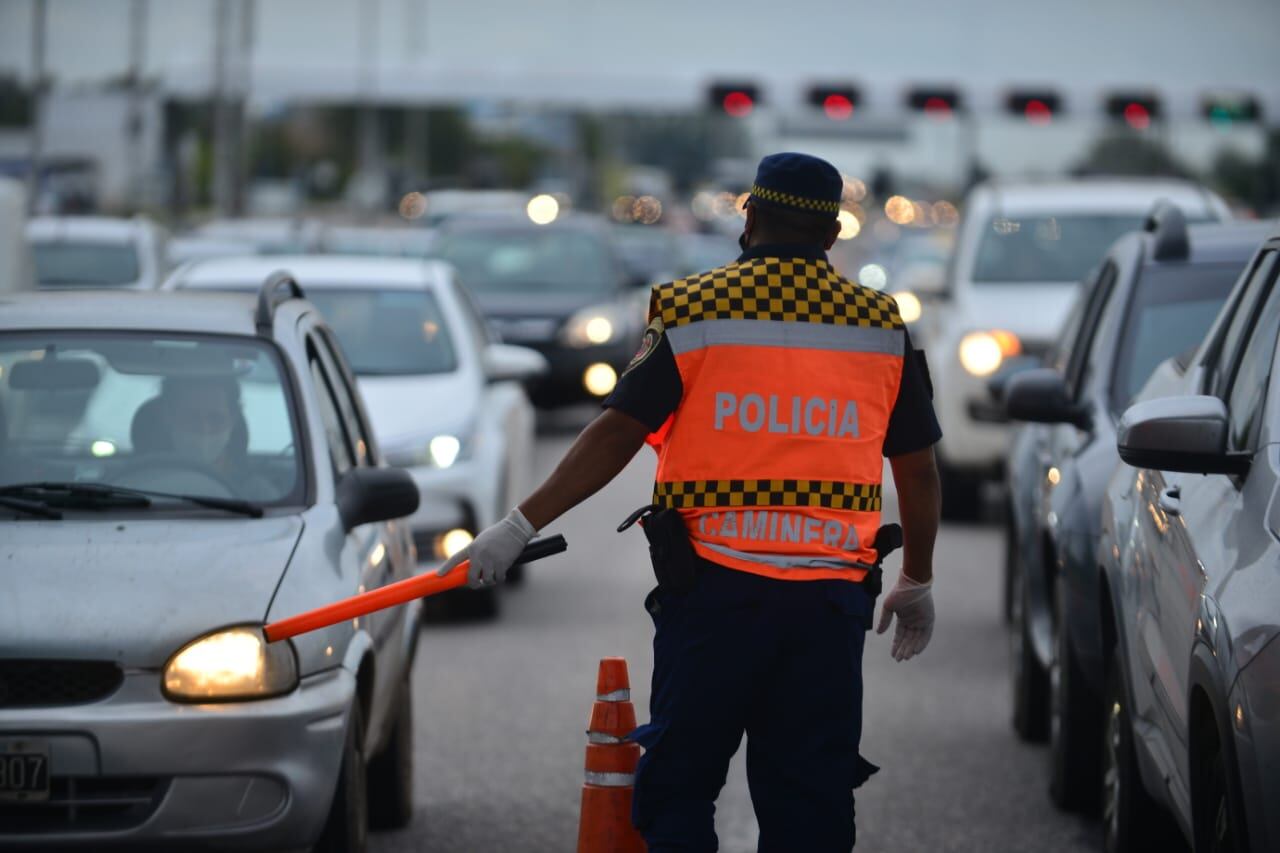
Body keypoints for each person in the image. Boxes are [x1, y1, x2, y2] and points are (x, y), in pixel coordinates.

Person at [439, 152, 942, 851]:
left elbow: (617, 431)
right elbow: (917, 468)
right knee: (810, 807)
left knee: (678, 791)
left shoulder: (693, 308)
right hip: (826, 609)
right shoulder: (880, 324)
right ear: (832, 236)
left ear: (750, 217)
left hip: (714, 599)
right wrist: (916, 576)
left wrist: (520, 524)